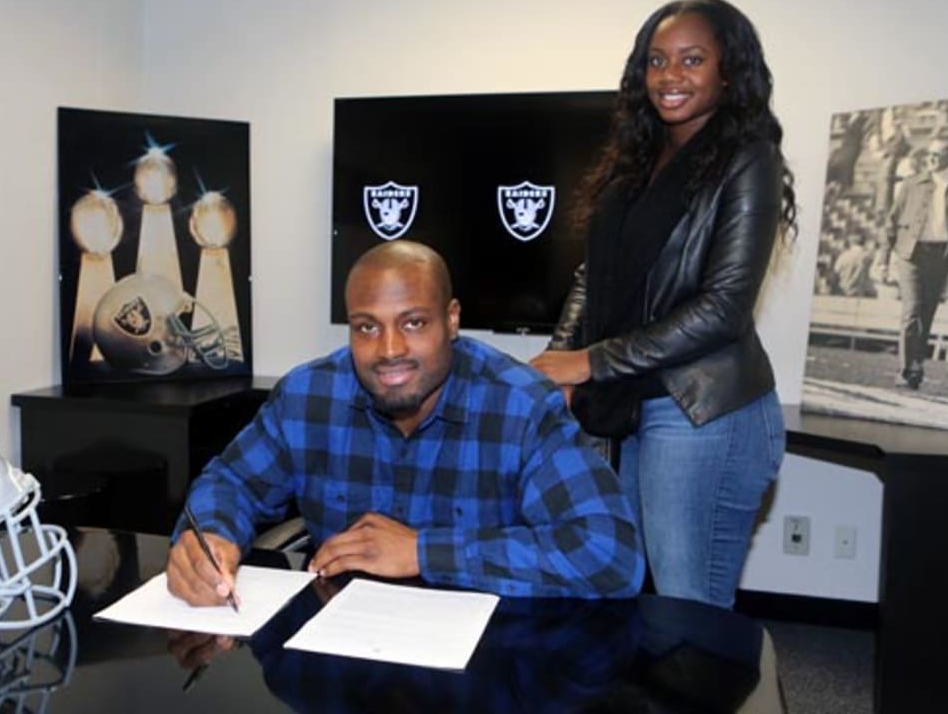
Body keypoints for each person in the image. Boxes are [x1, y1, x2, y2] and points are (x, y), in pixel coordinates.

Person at [166, 240, 644, 605]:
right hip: (343, 655)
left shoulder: (520, 405)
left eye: (413, 323)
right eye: (367, 327)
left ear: (452, 320)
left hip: (478, 668)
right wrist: (210, 534)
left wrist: (423, 551)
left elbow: (610, 554)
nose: (389, 350)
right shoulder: (309, 395)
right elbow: (231, 481)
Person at [529, 0, 795, 609]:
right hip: (636, 404)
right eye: (657, 61)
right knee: (634, 592)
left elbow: (723, 307)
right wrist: (558, 357)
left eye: (692, 60)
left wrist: (589, 362)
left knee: (687, 607)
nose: (670, 77)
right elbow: (594, 275)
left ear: (729, 71)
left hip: (703, 409)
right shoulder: (637, 161)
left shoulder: (747, 158)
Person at [881, 134, 948, 388]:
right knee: (912, 310)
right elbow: (891, 222)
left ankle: (916, 365)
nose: (931, 158)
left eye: (938, 154)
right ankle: (906, 370)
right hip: (911, 253)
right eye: (929, 153)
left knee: (927, 312)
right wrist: (883, 259)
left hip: (942, 255)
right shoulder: (913, 183)